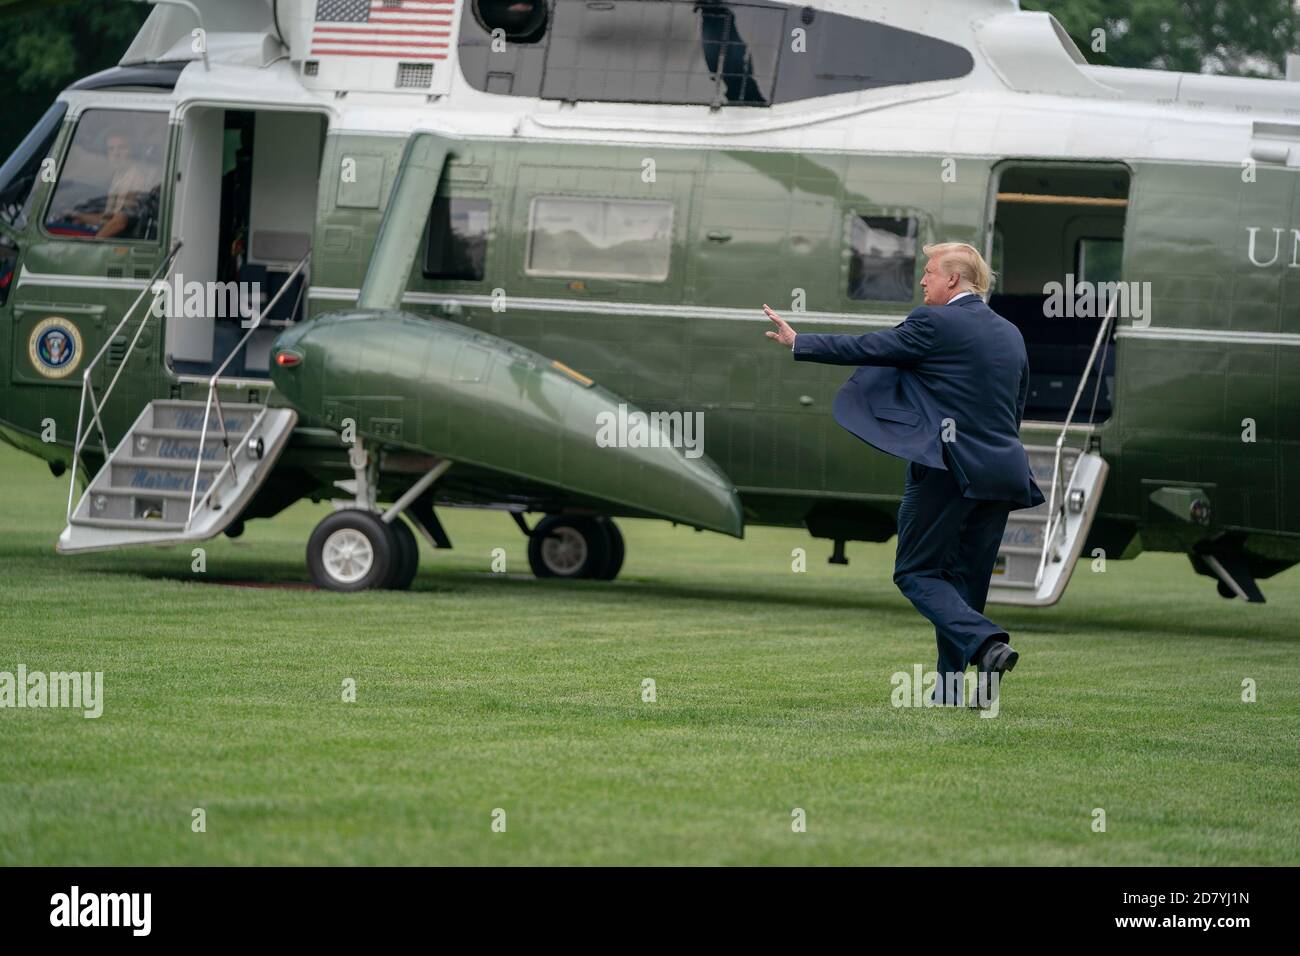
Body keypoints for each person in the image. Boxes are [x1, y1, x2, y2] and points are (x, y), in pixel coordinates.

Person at [763, 242, 1044, 707]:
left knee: (915, 571)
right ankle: (955, 691)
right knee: (967, 581)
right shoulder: (1010, 332)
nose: (922, 281)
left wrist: (800, 342)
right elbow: (1014, 408)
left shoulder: (933, 323)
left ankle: (989, 644)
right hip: (1002, 472)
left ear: (953, 279)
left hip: (947, 469)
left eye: (929, 272)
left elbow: (869, 348)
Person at [62, 131, 152, 239]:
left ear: (132, 151)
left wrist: (93, 243)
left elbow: (119, 223)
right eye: (111, 149)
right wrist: (79, 216)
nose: (116, 153)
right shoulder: (118, 176)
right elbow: (107, 219)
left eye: (122, 148)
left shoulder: (136, 179)